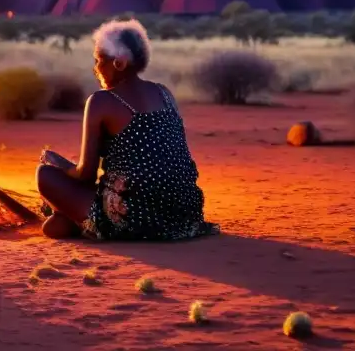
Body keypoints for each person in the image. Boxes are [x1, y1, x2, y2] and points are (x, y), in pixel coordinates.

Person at [36, 19, 218, 241]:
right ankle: (76, 219)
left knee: (45, 175)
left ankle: (89, 222)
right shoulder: (164, 93)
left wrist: (59, 164)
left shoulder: (101, 101)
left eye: (99, 61)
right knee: (55, 226)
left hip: (133, 213)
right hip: (183, 214)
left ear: (119, 63)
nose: (96, 69)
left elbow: (85, 175)